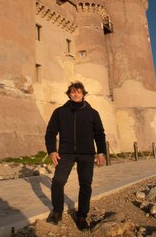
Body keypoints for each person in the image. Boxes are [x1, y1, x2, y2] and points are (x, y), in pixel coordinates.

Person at [44, 81, 106, 230]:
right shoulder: (59, 112)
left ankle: (82, 216)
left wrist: (101, 152)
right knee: (58, 181)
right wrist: (52, 150)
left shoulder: (93, 113)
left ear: (83, 94)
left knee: (85, 185)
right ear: (69, 94)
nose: (76, 94)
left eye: (79, 91)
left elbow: (99, 134)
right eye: (73, 92)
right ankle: (57, 211)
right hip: (66, 153)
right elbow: (50, 133)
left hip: (87, 154)